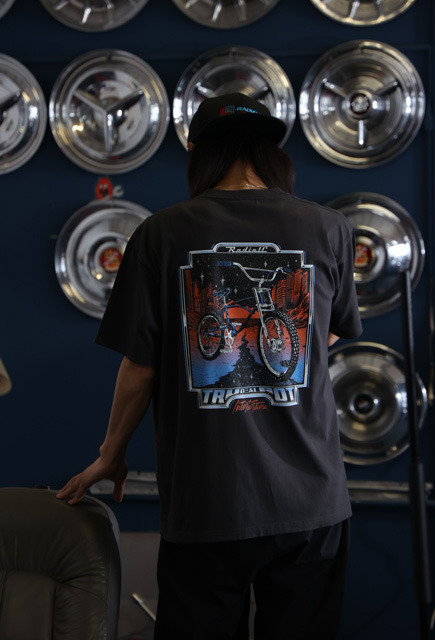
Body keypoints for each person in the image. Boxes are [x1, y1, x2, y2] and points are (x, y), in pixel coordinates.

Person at [57, 92, 362, 639]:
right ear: (271, 153)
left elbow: (141, 367)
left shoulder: (161, 232)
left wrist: (111, 454)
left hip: (210, 501)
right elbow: (327, 333)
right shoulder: (328, 228)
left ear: (197, 152)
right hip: (312, 502)